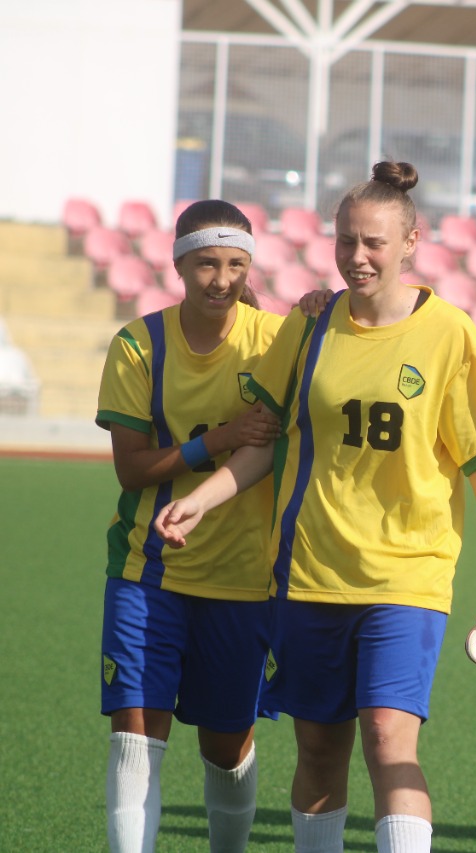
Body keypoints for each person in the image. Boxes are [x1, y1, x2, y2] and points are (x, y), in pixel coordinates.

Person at [155, 161, 476, 853]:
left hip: (408, 576)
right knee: (320, 755)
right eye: (345, 241)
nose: (356, 257)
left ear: (411, 241)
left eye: (374, 243)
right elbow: (266, 442)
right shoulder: (308, 326)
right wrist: (202, 500)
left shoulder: (450, 334)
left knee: (390, 741)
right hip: (307, 575)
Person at [96, 199, 283, 852]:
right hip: (148, 573)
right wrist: (222, 438)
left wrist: (319, 308)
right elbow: (132, 469)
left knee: (226, 747)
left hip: (243, 579)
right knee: (134, 736)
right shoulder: (138, 345)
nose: (221, 278)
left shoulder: (275, 341)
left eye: (235, 264)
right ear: (178, 263)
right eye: (207, 262)